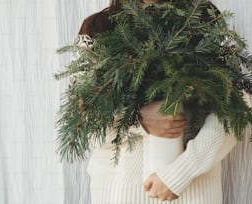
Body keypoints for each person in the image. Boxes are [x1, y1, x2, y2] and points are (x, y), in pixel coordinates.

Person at [77, 0, 237, 203]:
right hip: (119, 194)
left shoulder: (205, 17)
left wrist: (181, 173)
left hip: (193, 193)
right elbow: (81, 126)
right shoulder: (97, 28)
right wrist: (138, 120)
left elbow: (237, 107)